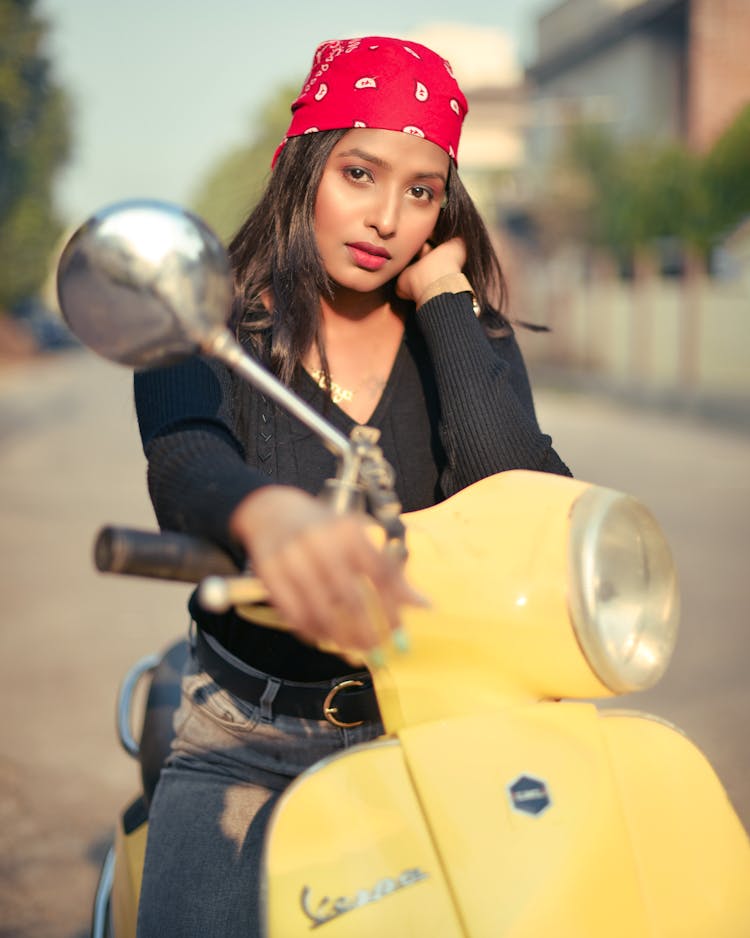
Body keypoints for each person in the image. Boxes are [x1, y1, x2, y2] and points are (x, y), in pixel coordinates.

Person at [133, 35, 571, 937]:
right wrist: (269, 511)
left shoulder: (465, 336)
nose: (386, 218)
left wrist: (446, 294)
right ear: (304, 170)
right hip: (247, 740)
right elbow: (184, 459)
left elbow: (515, 490)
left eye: (421, 191)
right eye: (359, 173)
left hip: (438, 725)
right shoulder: (210, 323)